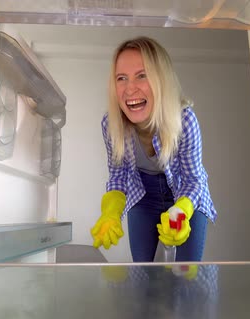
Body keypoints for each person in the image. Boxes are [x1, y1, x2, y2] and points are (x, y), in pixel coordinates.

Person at [90, 36, 217, 262]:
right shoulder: (110, 125)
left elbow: (193, 179)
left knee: (187, 276)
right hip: (143, 196)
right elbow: (118, 175)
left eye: (142, 75)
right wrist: (111, 212)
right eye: (121, 78)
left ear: (161, 80)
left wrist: (181, 212)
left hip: (185, 194)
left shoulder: (184, 119)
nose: (130, 89)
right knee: (142, 276)